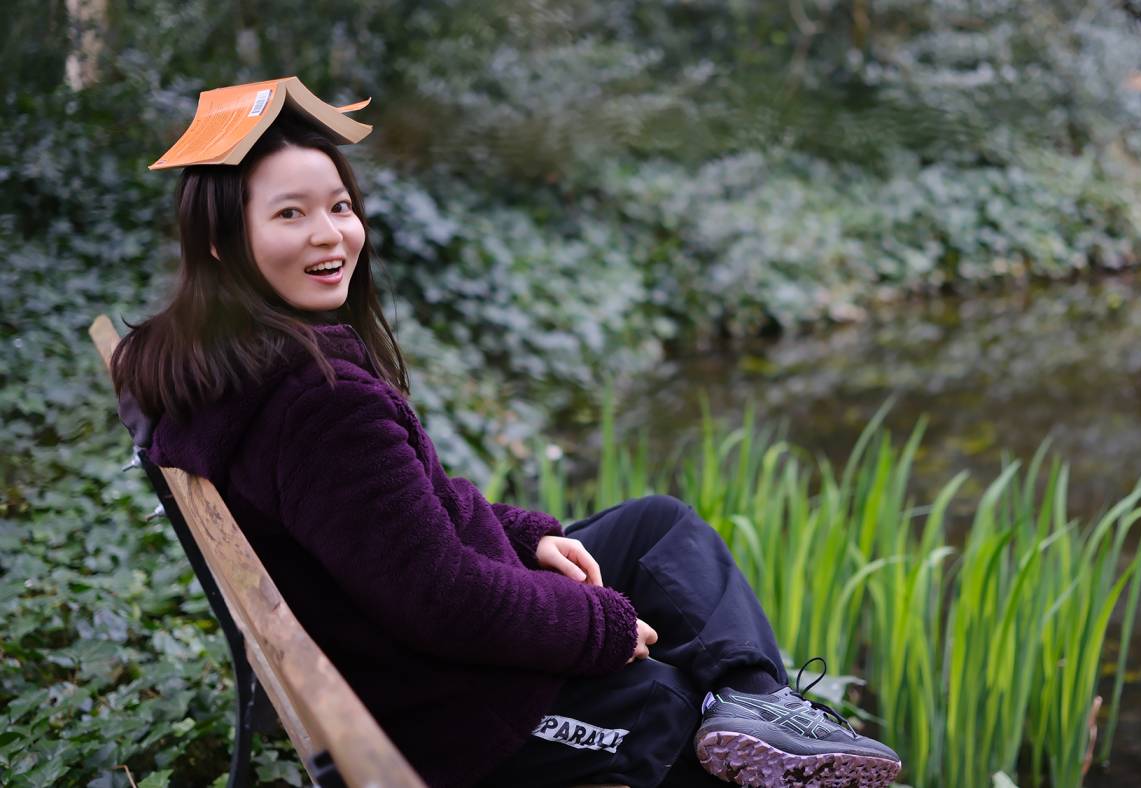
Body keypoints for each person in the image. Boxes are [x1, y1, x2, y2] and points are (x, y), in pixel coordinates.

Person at [110, 105, 901, 787]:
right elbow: (440, 599)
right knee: (666, 702)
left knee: (656, 527)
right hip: (441, 714)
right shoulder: (319, 403)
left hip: (385, 644)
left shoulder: (223, 354)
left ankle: (757, 702)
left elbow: (394, 517)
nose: (331, 236)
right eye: (290, 214)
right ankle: (744, 718)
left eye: (340, 206)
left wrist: (529, 537)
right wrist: (601, 625)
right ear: (222, 241)